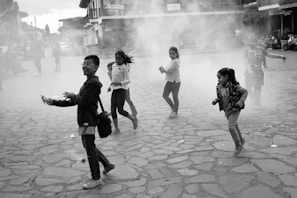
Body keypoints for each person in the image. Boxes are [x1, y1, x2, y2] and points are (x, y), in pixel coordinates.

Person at [41, 55, 115, 189]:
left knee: (89, 149)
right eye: (84, 63)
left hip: (88, 121)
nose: (84, 66)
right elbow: (76, 101)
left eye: (88, 64)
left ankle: (96, 178)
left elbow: (81, 101)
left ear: (96, 67)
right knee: (89, 146)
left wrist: (73, 96)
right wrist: (53, 102)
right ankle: (107, 164)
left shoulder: (92, 84)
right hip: (85, 120)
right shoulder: (89, 82)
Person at [212, 67, 248, 156]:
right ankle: (241, 140)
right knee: (234, 125)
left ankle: (238, 145)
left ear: (226, 77)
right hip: (227, 110)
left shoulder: (234, 86)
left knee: (231, 126)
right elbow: (221, 96)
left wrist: (240, 102)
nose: (218, 80)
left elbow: (245, 92)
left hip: (234, 108)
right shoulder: (220, 86)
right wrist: (216, 100)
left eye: (219, 77)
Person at [244, 36, 286, 106]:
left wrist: (281, 56)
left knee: (257, 90)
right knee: (248, 88)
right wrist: (250, 70)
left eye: (253, 41)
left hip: (258, 72)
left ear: (256, 42)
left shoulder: (261, 49)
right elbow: (246, 62)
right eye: (250, 41)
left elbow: (269, 55)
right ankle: (253, 103)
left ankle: (257, 106)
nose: (251, 43)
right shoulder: (246, 50)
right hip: (249, 72)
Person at [108, 50, 138, 134]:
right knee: (113, 110)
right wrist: (110, 86)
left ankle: (133, 119)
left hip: (122, 90)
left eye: (120, 59)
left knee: (120, 110)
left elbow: (128, 80)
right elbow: (114, 79)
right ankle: (116, 129)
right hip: (114, 90)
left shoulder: (124, 67)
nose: (118, 61)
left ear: (123, 59)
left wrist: (120, 83)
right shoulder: (113, 65)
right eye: (116, 59)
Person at [159, 46, 181, 118]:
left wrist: (163, 69)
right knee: (165, 95)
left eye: (173, 54)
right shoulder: (172, 61)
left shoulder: (176, 61)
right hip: (170, 80)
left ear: (176, 54)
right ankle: (173, 108)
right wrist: (163, 69)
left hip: (175, 81)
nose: (171, 55)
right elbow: (167, 68)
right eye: (170, 54)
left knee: (175, 97)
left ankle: (175, 112)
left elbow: (169, 70)